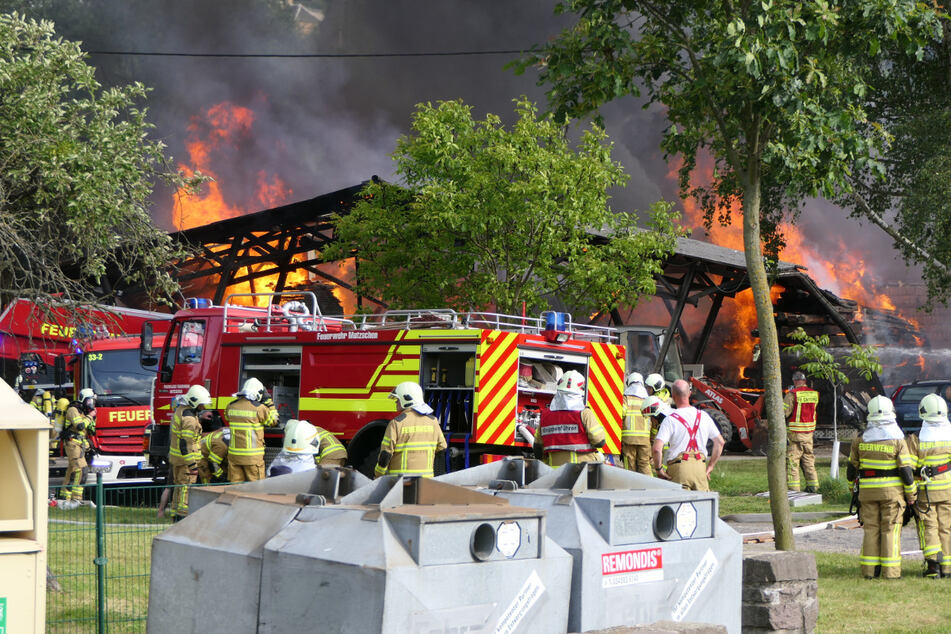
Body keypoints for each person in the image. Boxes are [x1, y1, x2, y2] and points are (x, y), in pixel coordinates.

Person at [847, 395, 917, 579]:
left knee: (871, 529)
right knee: (890, 529)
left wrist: (851, 489)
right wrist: (911, 494)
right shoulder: (898, 440)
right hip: (892, 494)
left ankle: (869, 571)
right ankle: (891, 572)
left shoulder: (860, 439)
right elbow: (906, 471)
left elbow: (851, 468)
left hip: (867, 493)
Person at [906, 393, 951, 578]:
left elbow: (908, 467)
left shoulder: (916, 438)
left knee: (928, 526)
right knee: (947, 527)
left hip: (926, 490)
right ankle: (948, 568)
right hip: (948, 488)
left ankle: (933, 567)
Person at [652, 379, 724, 491]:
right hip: (700, 467)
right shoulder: (704, 416)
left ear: (673, 395)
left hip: (679, 469)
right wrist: (710, 466)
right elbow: (720, 442)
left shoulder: (670, 419)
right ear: (689, 393)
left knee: (680, 506)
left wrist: (659, 469)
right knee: (701, 505)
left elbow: (657, 448)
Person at [533, 370, 606, 467]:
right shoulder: (584, 413)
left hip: (555, 473)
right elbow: (599, 441)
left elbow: (537, 448)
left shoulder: (545, 415)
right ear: (581, 390)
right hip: (582, 472)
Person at [375, 381, 447, 478]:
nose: (396, 402)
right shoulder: (433, 421)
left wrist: (378, 476)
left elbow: (385, 455)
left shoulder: (396, 423)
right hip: (426, 483)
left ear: (407, 399)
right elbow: (442, 448)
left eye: (398, 399)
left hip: (401, 483)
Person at [224, 377, 279, 483]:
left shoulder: (230, 406)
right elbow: (274, 421)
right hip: (253, 458)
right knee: (256, 489)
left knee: (235, 488)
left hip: (234, 457)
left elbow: (227, 417)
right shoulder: (259, 408)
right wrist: (269, 403)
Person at [168, 385, 211, 518]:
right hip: (186, 460)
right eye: (201, 404)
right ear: (194, 402)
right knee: (186, 488)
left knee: (178, 487)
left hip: (177, 459)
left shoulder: (181, 410)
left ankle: (174, 514)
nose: (203, 407)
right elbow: (184, 444)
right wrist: (192, 465)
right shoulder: (190, 420)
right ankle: (182, 516)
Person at [59, 388, 97, 509]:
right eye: (90, 401)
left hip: (78, 445)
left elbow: (89, 431)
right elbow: (80, 426)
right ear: (84, 399)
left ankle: (64, 498)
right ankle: (76, 499)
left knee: (71, 472)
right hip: (72, 444)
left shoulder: (83, 412)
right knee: (81, 470)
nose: (91, 404)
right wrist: (90, 417)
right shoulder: (73, 410)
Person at [784, 371, 820, 493]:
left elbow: (784, 413)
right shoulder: (814, 394)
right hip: (809, 434)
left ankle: (794, 490)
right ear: (805, 381)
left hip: (795, 434)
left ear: (794, 381)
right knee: (809, 460)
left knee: (792, 463)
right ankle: (814, 487)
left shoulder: (792, 394)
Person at [622, 372, 652, 475]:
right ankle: (649, 487)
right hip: (645, 439)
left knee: (630, 467)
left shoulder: (626, 398)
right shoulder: (647, 399)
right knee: (644, 464)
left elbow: (621, 413)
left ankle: (631, 488)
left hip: (629, 439)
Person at [197, 408, 230, 485]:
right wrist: (220, 476)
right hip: (203, 457)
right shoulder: (221, 447)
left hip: (211, 449)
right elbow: (213, 462)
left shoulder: (227, 443)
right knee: (207, 480)